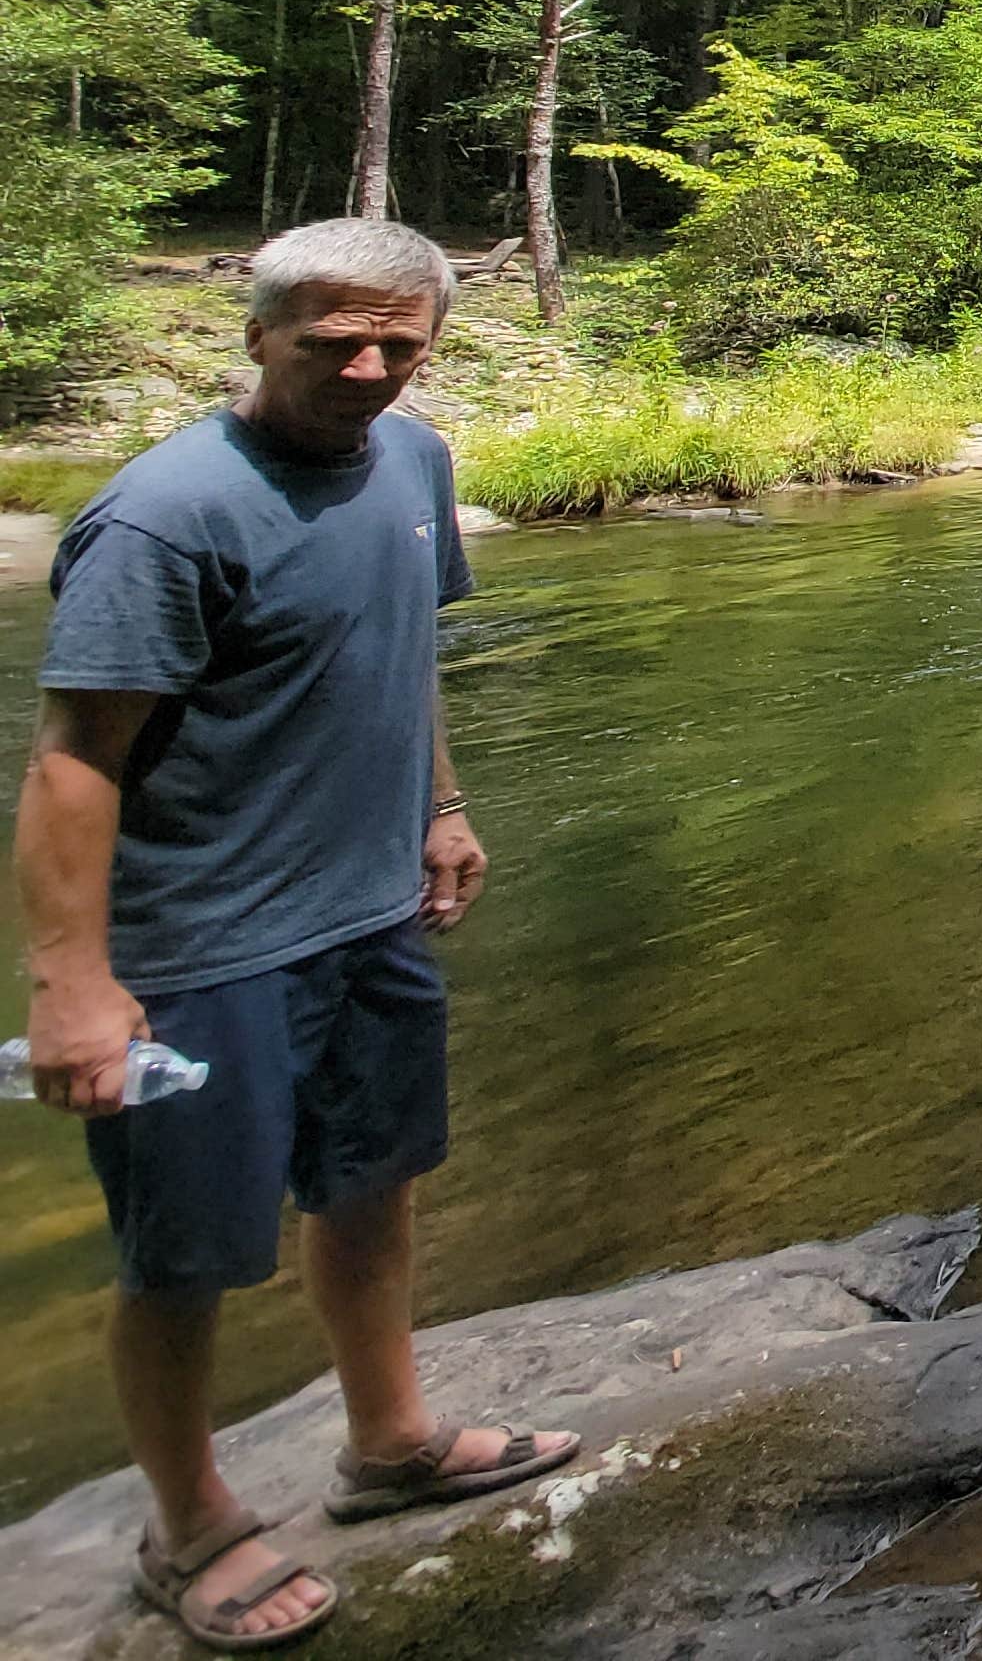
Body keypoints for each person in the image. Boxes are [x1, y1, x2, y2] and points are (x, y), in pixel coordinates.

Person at [13, 218, 577, 1650]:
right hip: (201, 948)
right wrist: (72, 984)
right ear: (259, 336)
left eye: (400, 341)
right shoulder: (167, 514)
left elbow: (400, 653)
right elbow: (74, 761)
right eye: (334, 342)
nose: (370, 367)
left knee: (375, 1184)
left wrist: (441, 809)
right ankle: (184, 1524)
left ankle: (386, 1446)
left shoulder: (419, 460)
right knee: (184, 1254)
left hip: (372, 911)